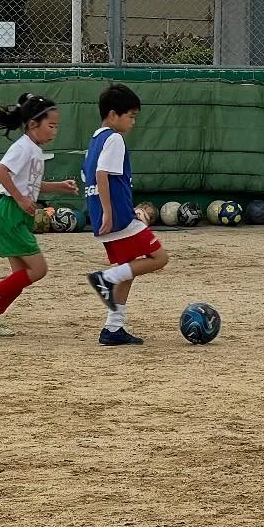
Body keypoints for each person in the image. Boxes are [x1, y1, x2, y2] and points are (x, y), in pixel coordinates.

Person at [0, 92, 78, 337]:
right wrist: (20, 199)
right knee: (38, 270)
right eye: (51, 126)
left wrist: (59, 185)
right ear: (33, 124)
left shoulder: (33, 149)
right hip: (10, 213)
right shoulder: (23, 148)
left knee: (20, 276)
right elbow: (0, 171)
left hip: (14, 215)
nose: (54, 131)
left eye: (56, 126)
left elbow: (29, 184)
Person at [83, 83, 169, 346]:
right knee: (159, 258)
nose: (133, 122)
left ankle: (113, 328)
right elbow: (102, 175)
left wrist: (103, 212)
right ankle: (105, 279)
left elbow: (90, 177)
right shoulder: (114, 139)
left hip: (106, 216)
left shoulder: (95, 140)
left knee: (128, 269)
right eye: (130, 116)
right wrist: (112, 211)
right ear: (113, 114)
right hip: (117, 218)